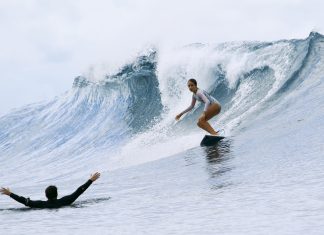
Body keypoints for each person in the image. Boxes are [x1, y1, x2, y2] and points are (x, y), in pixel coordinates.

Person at [0, 172, 100, 209]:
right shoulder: (65, 201)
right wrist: (90, 180)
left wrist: (10, 194)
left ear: (45, 195)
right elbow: (79, 191)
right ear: (57, 194)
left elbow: (24, 201)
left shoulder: (40, 204)